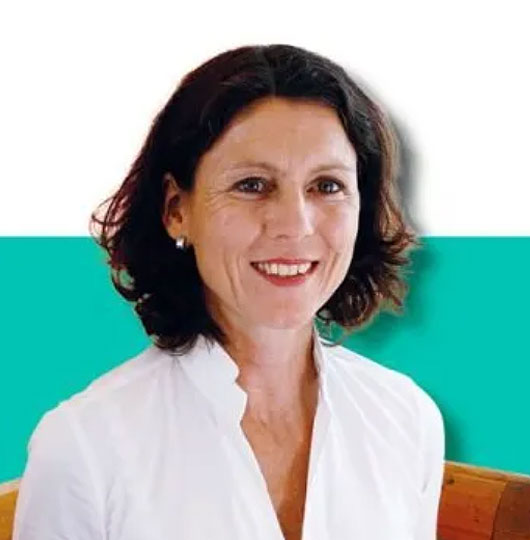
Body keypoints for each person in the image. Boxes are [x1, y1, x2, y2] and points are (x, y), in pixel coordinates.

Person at [13, 44, 445, 540]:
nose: (295, 225)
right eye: (253, 185)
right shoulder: (84, 449)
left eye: (327, 186)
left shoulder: (406, 420)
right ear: (177, 209)